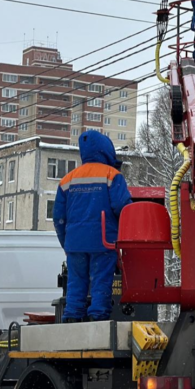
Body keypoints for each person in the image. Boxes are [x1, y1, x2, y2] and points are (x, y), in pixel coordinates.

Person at [52, 131, 132, 322]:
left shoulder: (67, 180)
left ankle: (72, 317)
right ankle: (98, 318)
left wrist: (67, 243)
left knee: (76, 282)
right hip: (103, 242)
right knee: (101, 282)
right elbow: (124, 208)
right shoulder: (112, 175)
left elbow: (58, 217)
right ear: (106, 151)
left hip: (75, 243)